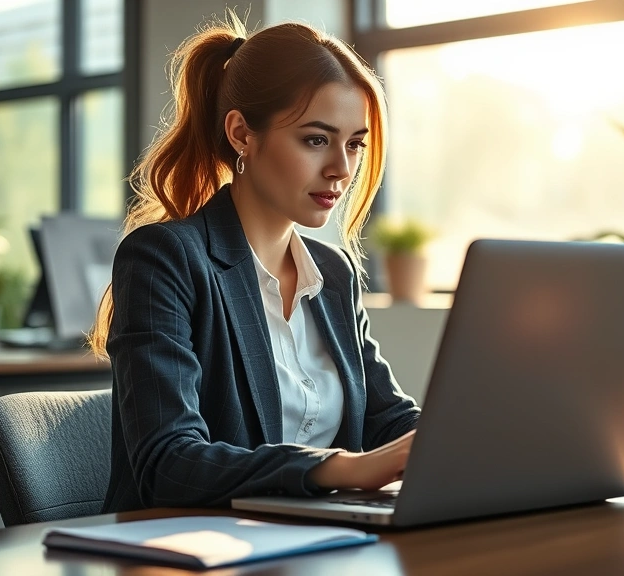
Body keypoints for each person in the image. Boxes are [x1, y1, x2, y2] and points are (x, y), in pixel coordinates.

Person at [88, 19, 420, 513]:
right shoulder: (163, 259)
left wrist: (459, 440)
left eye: (355, 143)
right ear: (243, 133)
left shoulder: (334, 274)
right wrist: (341, 467)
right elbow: (167, 463)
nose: (342, 169)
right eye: (315, 140)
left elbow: (388, 419)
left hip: (322, 545)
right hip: (194, 550)